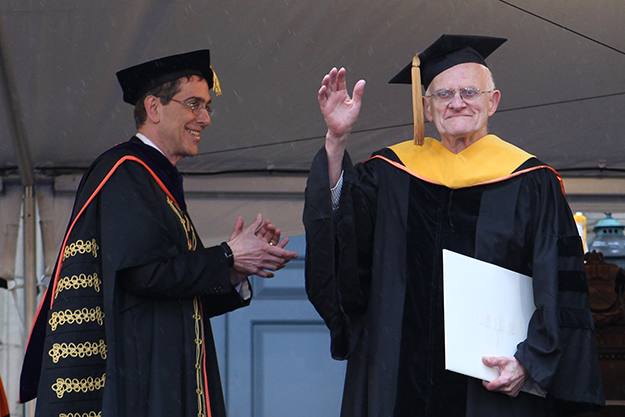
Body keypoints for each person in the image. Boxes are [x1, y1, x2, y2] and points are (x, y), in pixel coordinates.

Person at [303, 35, 604, 416]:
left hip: (490, 385)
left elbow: (559, 288)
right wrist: (337, 140)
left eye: (469, 92)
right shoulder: (389, 173)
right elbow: (341, 239)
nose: (457, 102)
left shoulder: (531, 181)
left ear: (492, 101)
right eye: (443, 94)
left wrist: (529, 361)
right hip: (397, 375)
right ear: (426, 108)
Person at [19, 50, 298, 417]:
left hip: (163, 372)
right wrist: (227, 254)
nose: (206, 118)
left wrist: (234, 269)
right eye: (194, 105)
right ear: (154, 107)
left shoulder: (154, 178)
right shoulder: (125, 171)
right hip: (140, 380)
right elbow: (143, 275)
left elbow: (176, 284)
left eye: (208, 107)